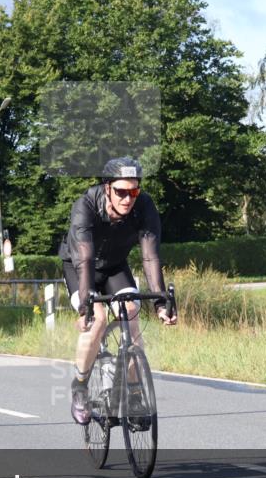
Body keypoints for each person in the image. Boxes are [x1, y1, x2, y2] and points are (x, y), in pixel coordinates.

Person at [58, 157, 178, 425]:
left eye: (133, 192)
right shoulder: (85, 206)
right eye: (121, 192)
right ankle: (79, 387)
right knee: (98, 319)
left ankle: (134, 394)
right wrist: (85, 309)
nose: (128, 199)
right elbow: (85, 260)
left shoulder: (144, 207)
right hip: (79, 267)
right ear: (107, 187)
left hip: (114, 267)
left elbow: (150, 258)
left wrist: (160, 303)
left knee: (132, 311)